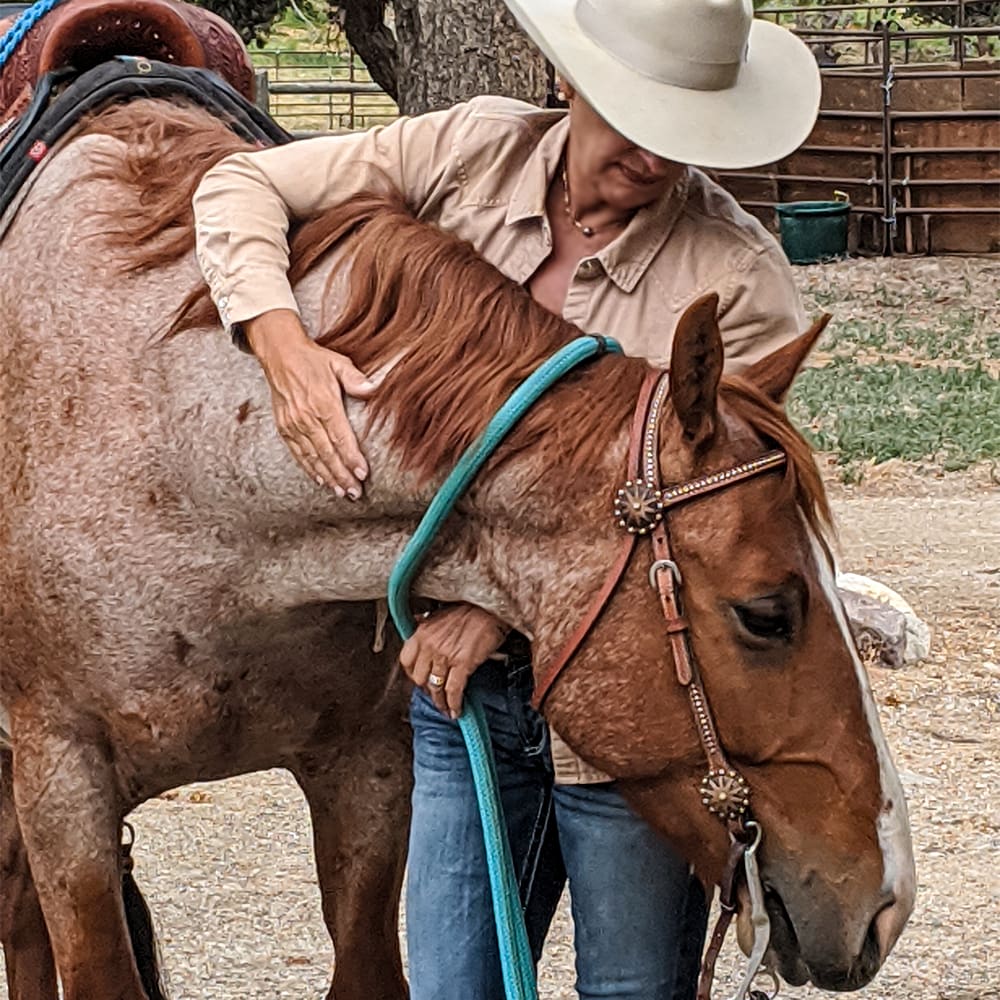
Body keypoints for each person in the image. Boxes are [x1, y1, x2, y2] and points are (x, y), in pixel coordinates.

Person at [192, 1, 821, 996]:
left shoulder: (736, 282)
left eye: (680, 132)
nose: (654, 156)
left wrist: (490, 604)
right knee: (453, 986)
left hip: (622, 712)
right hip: (465, 706)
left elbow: (730, 511)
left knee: (632, 990)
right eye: (632, 114)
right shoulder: (470, 150)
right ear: (568, 82)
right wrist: (279, 342)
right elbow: (239, 180)